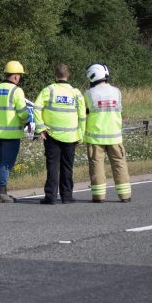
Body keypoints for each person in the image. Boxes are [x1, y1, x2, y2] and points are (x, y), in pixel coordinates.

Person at [34, 64, 86, 205]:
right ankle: (67, 196)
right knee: (67, 167)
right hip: (71, 137)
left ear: (55, 76)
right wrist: (80, 136)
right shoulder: (76, 93)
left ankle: (50, 196)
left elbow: (36, 108)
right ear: (68, 76)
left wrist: (41, 129)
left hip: (51, 135)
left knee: (52, 166)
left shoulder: (49, 90)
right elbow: (82, 117)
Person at [0, 61, 31, 203]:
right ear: (16, 76)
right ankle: (1, 192)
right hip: (11, 135)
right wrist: (27, 121)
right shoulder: (16, 91)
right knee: (6, 163)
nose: (20, 78)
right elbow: (22, 111)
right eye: (20, 76)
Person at [84, 63, 132, 203]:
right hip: (115, 136)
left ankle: (99, 196)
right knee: (119, 164)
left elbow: (85, 112)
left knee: (97, 166)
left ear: (92, 76)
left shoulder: (88, 94)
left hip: (95, 138)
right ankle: (125, 195)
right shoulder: (117, 91)